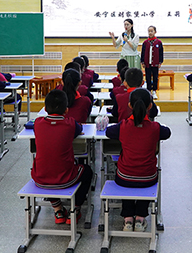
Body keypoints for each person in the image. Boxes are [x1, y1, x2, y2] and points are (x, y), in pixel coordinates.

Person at [106, 88, 171, 232]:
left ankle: (128, 218)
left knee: (126, 173)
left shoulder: (123, 126)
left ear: (130, 105)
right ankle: (140, 218)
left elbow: (108, 132)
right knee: (143, 176)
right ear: (150, 106)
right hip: (148, 178)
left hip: (124, 177)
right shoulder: (155, 128)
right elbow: (167, 132)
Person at [31, 90, 93, 225]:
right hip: (65, 178)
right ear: (66, 110)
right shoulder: (70, 124)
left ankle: (58, 209)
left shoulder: (38, 123)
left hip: (40, 178)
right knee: (87, 171)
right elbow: (78, 129)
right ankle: (75, 208)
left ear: (45, 108)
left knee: (48, 168)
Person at [141, 26, 164, 100]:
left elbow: (161, 53)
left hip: (155, 63)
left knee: (155, 77)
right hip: (147, 63)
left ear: (155, 32)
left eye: (152, 31)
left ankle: (154, 91)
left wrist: (160, 62)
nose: (150, 33)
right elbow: (143, 52)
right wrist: (142, 61)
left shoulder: (158, 42)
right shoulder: (145, 42)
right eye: (149, 31)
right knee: (147, 77)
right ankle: (148, 91)